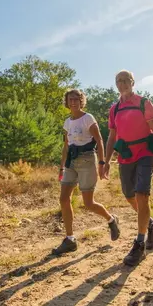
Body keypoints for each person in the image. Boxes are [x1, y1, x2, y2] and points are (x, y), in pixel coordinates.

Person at [104, 70, 153, 266]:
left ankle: (139, 243)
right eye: (119, 81)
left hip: (145, 153)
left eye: (126, 80)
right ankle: (152, 226)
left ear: (133, 82)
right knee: (129, 195)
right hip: (125, 156)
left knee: (142, 194)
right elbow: (111, 137)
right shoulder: (114, 109)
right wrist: (105, 161)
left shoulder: (144, 103)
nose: (123, 83)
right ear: (116, 84)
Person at [53, 89, 120, 255]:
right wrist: (62, 167)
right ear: (67, 102)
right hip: (71, 162)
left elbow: (99, 140)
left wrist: (102, 162)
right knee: (63, 199)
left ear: (81, 101)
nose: (74, 102)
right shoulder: (67, 122)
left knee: (88, 203)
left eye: (77, 99)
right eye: (71, 99)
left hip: (87, 160)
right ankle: (70, 239)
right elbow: (66, 146)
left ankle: (111, 220)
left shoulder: (88, 118)